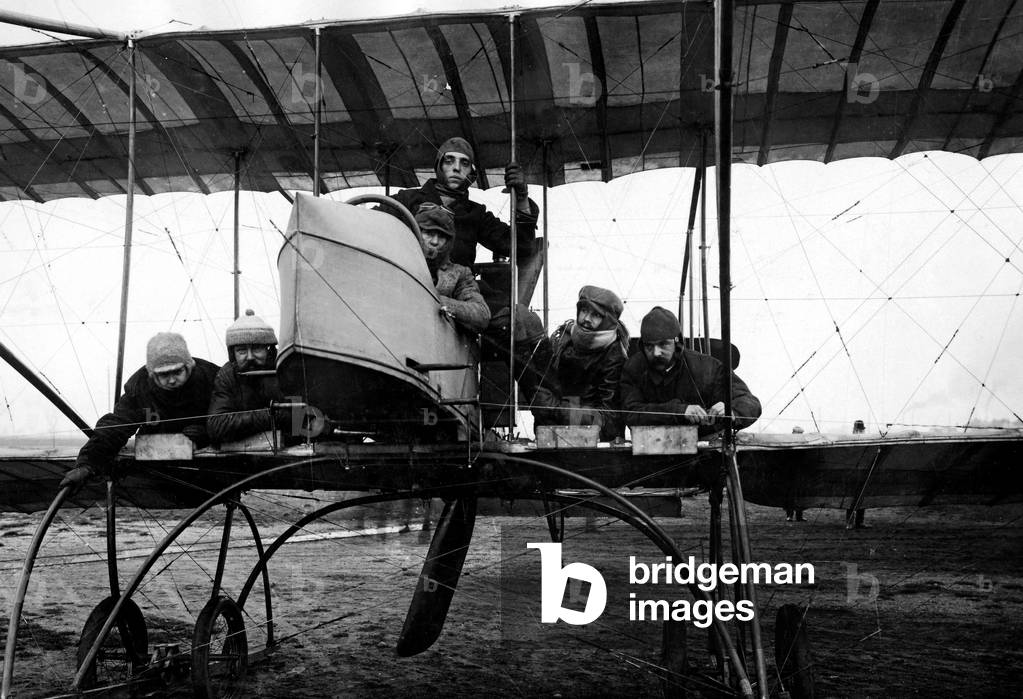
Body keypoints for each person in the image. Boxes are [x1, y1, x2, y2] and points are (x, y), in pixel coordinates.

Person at [59, 333, 219, 491]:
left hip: (213, 468)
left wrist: (210, 432)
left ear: (188, 367)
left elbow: (234, 415)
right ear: (151, 373)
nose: (171, 380)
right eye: (164, 374)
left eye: (177, 372)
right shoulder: (139, 387)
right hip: (160, 470)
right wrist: (87, 464)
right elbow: (116, 425)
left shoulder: (213, 379)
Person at [389, 136, 538, 271]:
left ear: (471, 173)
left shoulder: (476, 214)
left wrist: (521, 196)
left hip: (453, 293)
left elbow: (521, 246)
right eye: (449, 160)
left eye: (464, 163)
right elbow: (371, 225)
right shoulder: (405, 200)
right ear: (438, 165)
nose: (457, 168)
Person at [620, 307, 761, 435]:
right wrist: (679, 411)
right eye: (649, 346)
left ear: (677, 342)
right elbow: (630, 414)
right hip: (649, 449)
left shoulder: (707, 368)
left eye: (663, 344)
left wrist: (732, 410)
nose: (656, 353)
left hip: (705, 450)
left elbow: (750, 402)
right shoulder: (634, 368)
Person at [528, 285, 629, 441]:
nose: (586, 319)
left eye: (596, 315)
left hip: (596, 445)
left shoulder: (615, 356)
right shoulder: (564, 339)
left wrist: (556, 410)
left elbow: (609, 420)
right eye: (584, 311)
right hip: (554, 436)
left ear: (608, 320)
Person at [207, 309, 291, 444]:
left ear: (269, 350)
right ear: (232, 354)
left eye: (257, 348)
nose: (250, 357)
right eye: (242, 351)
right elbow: (217, 425)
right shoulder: (227, 376)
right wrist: (271, 415)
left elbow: (299, 419)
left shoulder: (287, 370)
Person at [414, 205, 491, 334]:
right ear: (416, 233)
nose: (435, 242)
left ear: (449, 241)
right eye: (428, 233)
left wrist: (439, 302)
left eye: (442, 236)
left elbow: (482, 313)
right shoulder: (400, 260)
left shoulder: (459, 273)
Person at [847, 419, 867, 529]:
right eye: (859, 428)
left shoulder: (865, 439)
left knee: (861, 497)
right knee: (851, 499)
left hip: (862, 471)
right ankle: (850, 522)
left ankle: (859, 522)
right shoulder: (850, 440)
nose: (860, 431)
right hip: (853, 473)